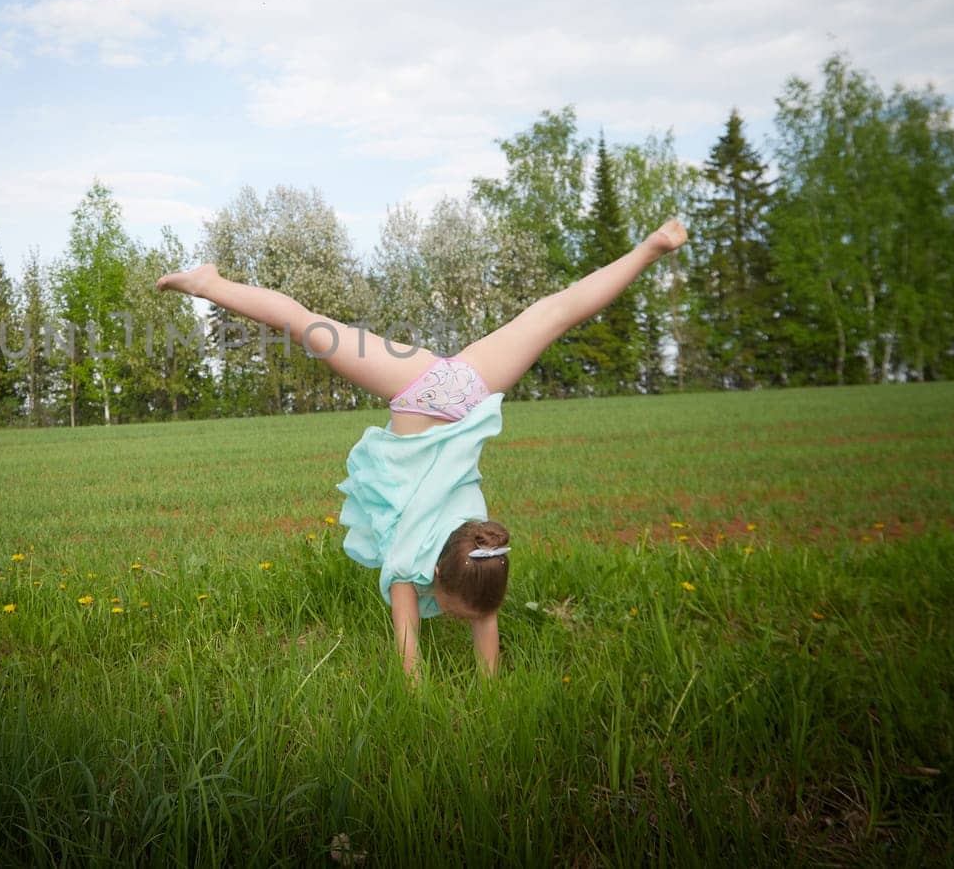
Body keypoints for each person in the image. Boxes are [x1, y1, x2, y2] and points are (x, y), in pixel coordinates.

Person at [158, 219, 686, 677]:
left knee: (554, 314)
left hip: (467, 387)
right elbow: (411, 660)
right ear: (437, 575)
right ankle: (210, 283)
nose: (462, 619)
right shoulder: (411, 562)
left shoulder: (485, 549)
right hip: (415, 391)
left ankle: (650, 247)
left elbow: (481, 614)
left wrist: (488, 685)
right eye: (459, 614)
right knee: (307, 326)